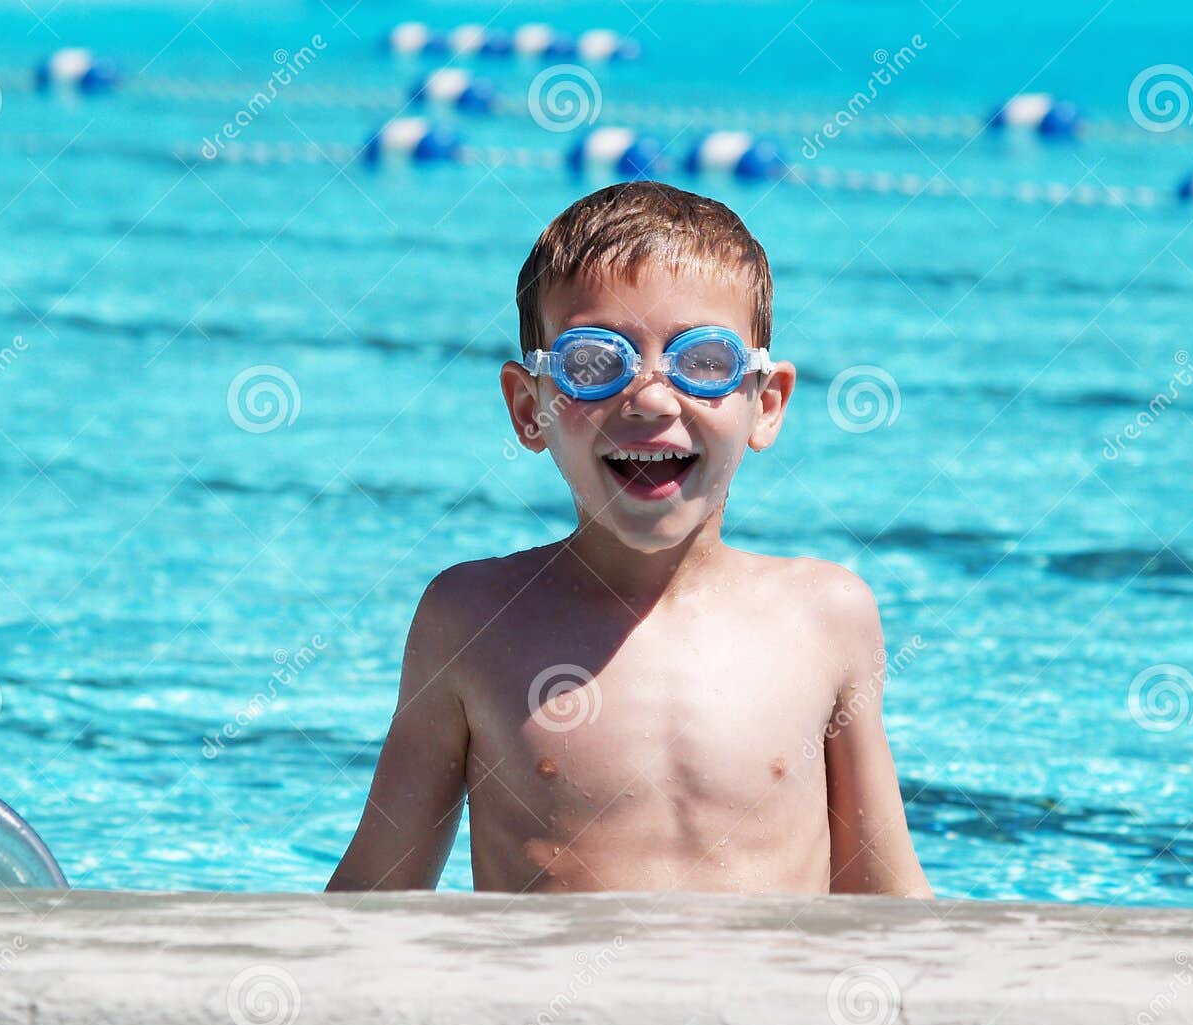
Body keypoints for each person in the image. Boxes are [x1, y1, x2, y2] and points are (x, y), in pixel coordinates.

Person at [328, 181, 930, 897]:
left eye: (704, 361)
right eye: (594, 364)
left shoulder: (827, 615)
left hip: (770, 1008)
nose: (649, 397)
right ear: (530, 408)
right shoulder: (473, 619)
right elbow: (375, 898)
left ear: (765, 405)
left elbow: (889, 902)